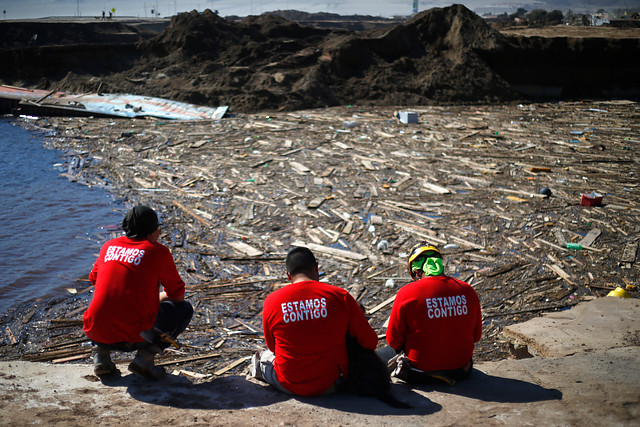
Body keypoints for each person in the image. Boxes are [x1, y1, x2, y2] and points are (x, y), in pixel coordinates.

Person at [83, 205, 193, 380]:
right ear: (154, 229)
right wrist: (155, 298)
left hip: (96, 331)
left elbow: (94, 279)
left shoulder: (108, 246)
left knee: (105, 303)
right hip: (134, 338)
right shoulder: (158, 251)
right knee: (184, 309)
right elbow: (178, 296)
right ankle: (145, 359)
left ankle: (101, 355)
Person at [251, 246, 379, 396]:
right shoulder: (340, 296)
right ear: (316, 268)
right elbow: (370, 342)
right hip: (333, 384)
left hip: (290, 384)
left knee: (261, 358)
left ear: (288, 275)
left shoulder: (272, 301)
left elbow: (273, 347)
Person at [382, 242, 482, 385]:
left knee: (377, 356)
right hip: (462, 370)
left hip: (420, 374)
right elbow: (476, 336)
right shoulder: (467, 290)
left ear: (416, 272)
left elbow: (393, 341)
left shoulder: (407, 293)